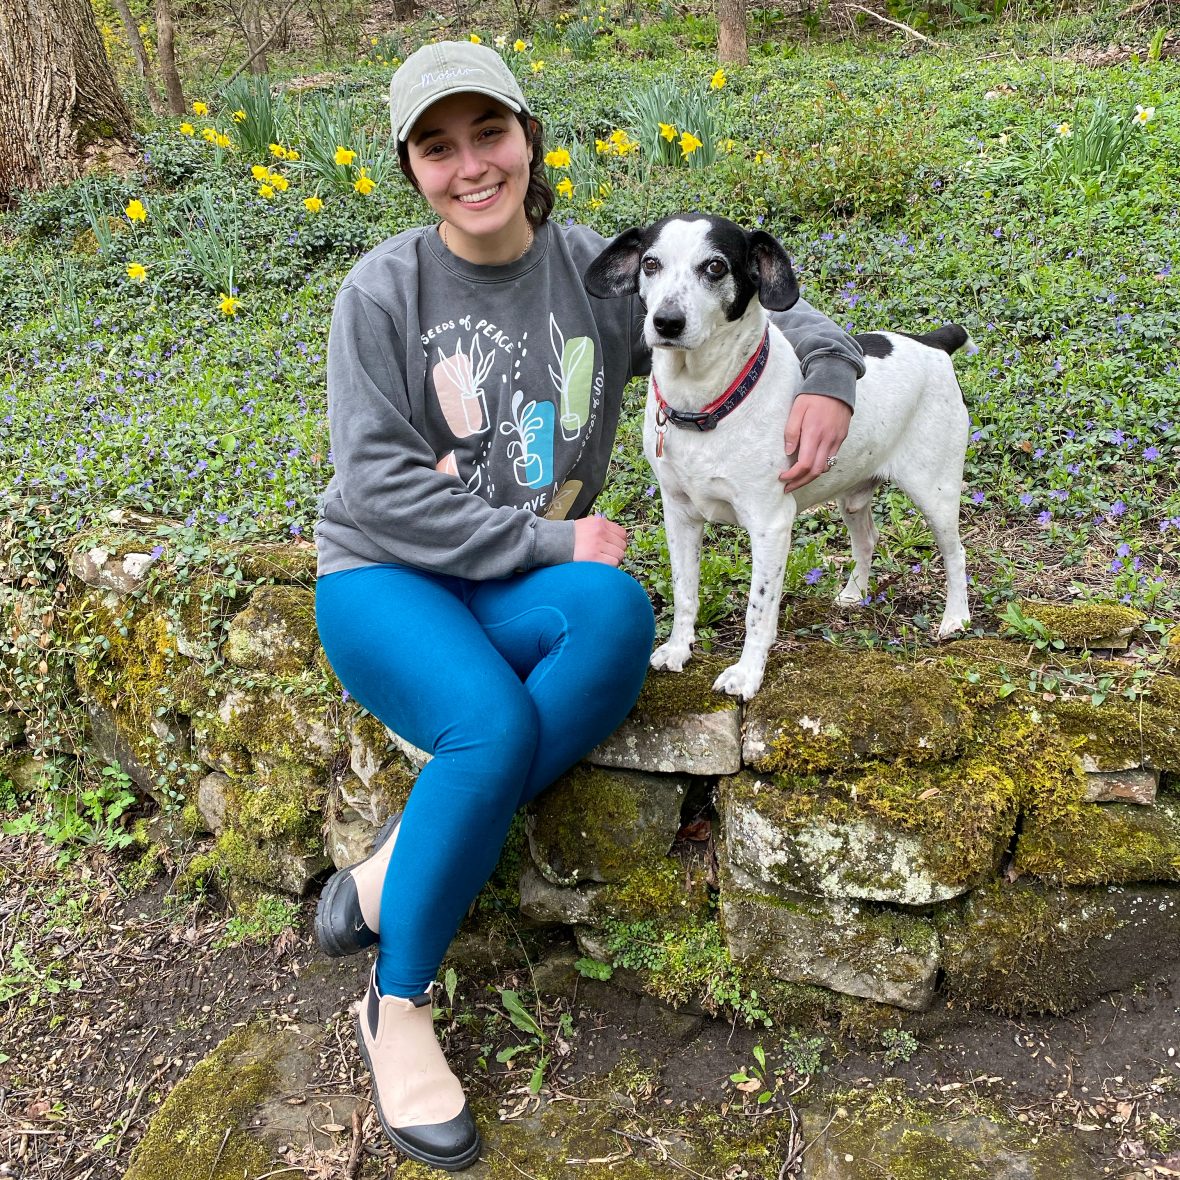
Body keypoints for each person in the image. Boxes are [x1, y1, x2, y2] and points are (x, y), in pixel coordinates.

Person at [312, 40, 866, 1172]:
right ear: (410, 166)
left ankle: (392, 864)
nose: (471, 165)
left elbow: (757, 304)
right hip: (382, 577)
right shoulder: (382, 290)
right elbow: (374, 483)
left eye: (489, 134)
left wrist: (829, 377)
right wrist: (548, 536)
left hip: (517, 585)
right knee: (493, 724)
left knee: (615, 618)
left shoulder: (594, 272)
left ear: (528, 137)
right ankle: (397, 1002)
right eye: (437, 145)